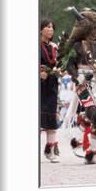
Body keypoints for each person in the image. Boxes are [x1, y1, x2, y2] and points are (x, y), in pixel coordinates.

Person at [60, 7, 96, 164]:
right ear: (85, 29)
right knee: (92, 108)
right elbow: (69, 65)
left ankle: (93, 152)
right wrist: (77, 78)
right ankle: (78, 139)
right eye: (92, 28)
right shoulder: (77, 46)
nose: (94, 32)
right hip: (81, 81)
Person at [40, 19, 61, 163]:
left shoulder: (54, 47)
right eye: (47, 27)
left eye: (52, 27)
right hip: (39, 85)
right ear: (41, 30)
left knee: (51, 117)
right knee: (37, 117)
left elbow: (58, 63)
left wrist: (59, 70)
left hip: (52, 84)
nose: (50, 29)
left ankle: (51, 150)